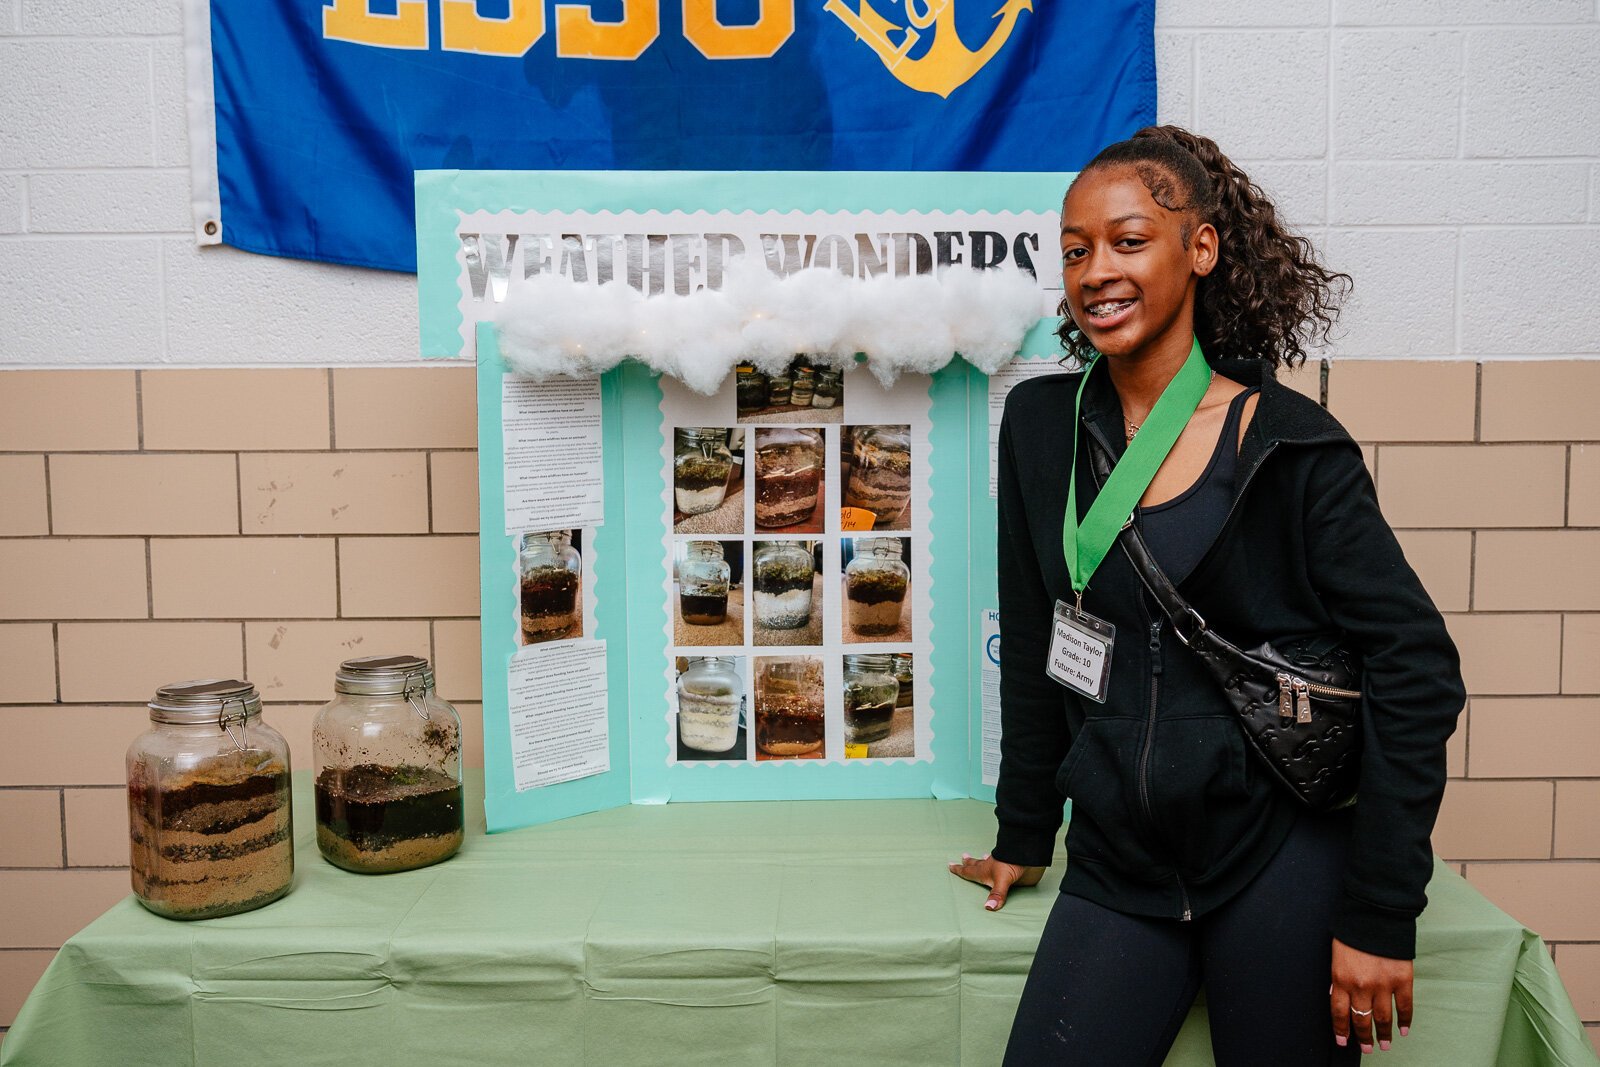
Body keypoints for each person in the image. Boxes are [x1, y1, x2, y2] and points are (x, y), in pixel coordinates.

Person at [949, 125, 1465, 1065]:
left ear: (1201, 248)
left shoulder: (1291, 445)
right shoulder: (1037, 427)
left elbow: (1418, 665)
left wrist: (1382, 908)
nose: (1097, 269)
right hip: (1117, 863)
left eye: (1129, 239)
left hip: (1280, 857)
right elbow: (1036, 641)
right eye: (1075, 250)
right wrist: (1024, 829)